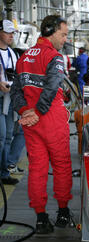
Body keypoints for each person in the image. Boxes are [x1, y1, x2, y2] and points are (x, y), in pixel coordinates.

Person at [11, 15, 73, 234]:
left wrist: (25, 111)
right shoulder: (55, 57)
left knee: (37, 169)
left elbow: (15, 90)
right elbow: (52, 86)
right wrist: (37, 112)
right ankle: (63, 212)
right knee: (62, 166)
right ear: (51, 31)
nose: (65, 39)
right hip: (50, 118)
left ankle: (40, 218)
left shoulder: (24, 56)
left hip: (30, 120)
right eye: (63, 34)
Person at [0, 20, 20, 185]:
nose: (11, 35)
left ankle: (4, 172)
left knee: (7, 137)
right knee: (1, 136)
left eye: (13, 33)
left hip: (9, 98)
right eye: (8, 32)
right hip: (1, 99)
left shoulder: (14, 54)